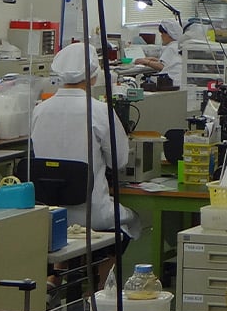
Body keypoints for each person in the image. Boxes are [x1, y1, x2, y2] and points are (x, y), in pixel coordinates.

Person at [31, 43, 142, 244]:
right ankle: (106, 263)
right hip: (93, 214)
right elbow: (118, 161)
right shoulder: (100, 111)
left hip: (50, 214)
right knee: (134, 219)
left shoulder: (39, 110)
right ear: (93, 76)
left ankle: (68, 266)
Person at [134, 19, 183, 84]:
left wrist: (146, 62)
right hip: (177, 80)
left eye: (162, 34)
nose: (161, 36)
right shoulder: (177, 45)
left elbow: (161, 66)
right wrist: (154, 59)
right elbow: (169, 63)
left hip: (171, 81)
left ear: (169, 34)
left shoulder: (171, 47)